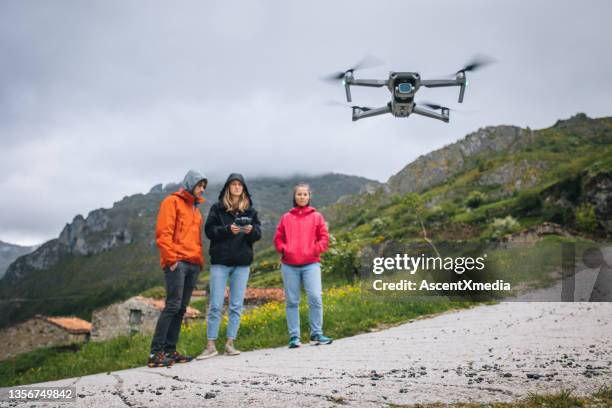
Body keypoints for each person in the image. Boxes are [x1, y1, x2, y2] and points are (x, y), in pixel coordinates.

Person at [196, 173, 261, 359]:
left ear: (244, 189)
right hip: (220, 263)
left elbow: (258, 234)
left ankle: (230, 344)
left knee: (235, 305)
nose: (237, 187)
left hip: (242, 263)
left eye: (240, 184)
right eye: (233, 184)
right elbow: (209, 231)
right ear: (228, 188)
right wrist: (227, 230)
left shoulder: (250, 211)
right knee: (216, 304)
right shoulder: (217, 209)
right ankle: (210, 345)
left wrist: (250, 231)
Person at [148, 170, 208, 368]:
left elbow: (196, 239)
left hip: (193, 263)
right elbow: (163, 233)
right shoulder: (171, 202)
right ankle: (155, 353)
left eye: (204, 187)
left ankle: (170, 351)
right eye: (200, 185)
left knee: (181, 309)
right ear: (191, 184)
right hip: (177, 262)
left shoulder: (196, 210)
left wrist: (199, 261)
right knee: (173, 305)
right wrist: (172, 259)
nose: (202, 190)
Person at [274, 182, 332, 348]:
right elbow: (278, 238)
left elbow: (324, 237)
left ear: (309, 196)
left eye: (305, 194)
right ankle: (294, 337)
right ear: (294, 197)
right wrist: (284, 250)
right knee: (292, 301)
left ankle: (317, 333)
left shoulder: (317, 217)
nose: (302, 197)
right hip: (289, 265)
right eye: (299, 194)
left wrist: (315, 250)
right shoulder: (286, 218)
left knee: (315, 297)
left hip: (311, 264)